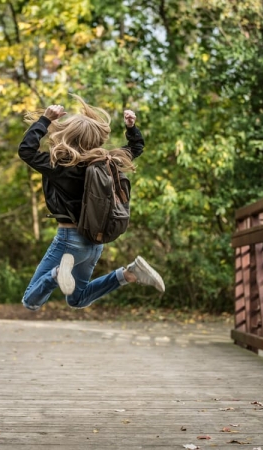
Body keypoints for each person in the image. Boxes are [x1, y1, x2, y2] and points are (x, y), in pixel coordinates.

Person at [18, 95, 165, 311]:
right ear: (95, 138)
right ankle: (129, 274)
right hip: (95, 243)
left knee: (30, 301)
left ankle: (57, 274)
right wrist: (131, 128)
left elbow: (26, 151)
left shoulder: (59, 165)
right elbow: (136, 148)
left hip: (69, 241)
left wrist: (45, 119)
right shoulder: (108, 162)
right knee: (77, 299)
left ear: (68, 135)